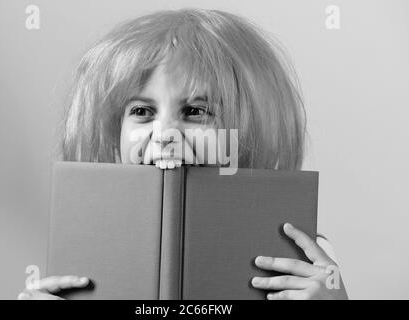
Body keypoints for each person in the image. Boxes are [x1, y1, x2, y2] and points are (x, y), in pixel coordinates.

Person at [18, 8, 348, 300]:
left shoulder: (303, 259)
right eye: (143, 111)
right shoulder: (87, 243)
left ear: (247, 128)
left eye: (194, 111)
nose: (164, 135)